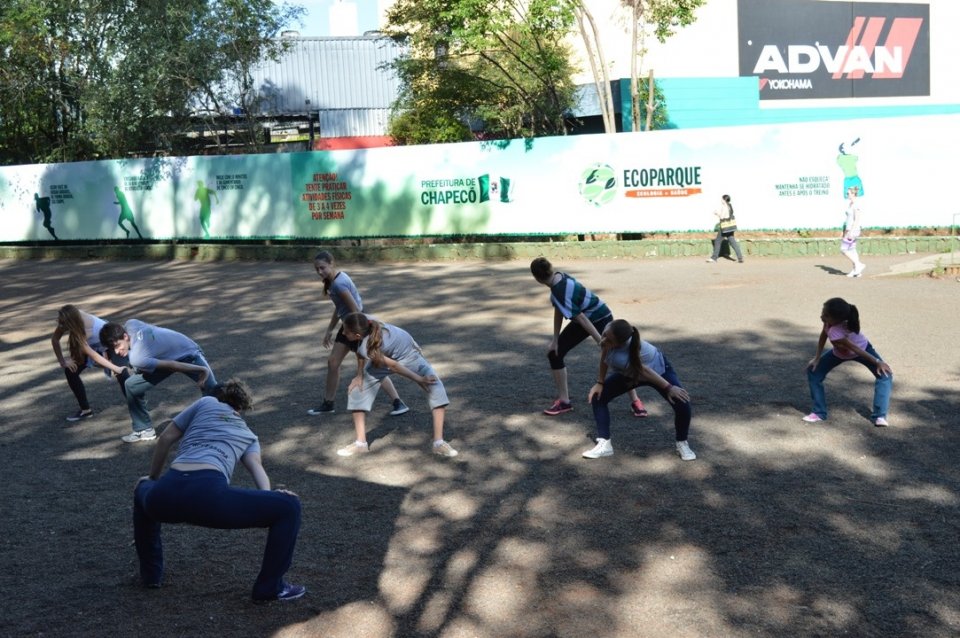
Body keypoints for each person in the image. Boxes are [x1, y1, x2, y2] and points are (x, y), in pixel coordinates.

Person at [133, 379, 305, 602]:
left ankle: (151, 575)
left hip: (165, 495)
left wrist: (153, 478)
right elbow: (257, 469)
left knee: (141, 489)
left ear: (216, 397)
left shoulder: (205, 403)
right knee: (289, 507)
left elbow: (165, 438)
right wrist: (269, 497)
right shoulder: (249, 435)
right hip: (208, 498)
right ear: (241, 408)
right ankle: (270, 587)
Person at [530, 257, 648, 418]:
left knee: (615, 356)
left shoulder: (558, 290)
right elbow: (560, 308)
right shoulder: (559, 277)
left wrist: (601, 340)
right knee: (555, 353)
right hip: (587, 318)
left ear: (536, 278)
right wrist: (555, 340)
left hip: (600, 318)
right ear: (550, 269)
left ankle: (636, 401)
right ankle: (564, 401)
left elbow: (582, 319)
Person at [335, 312, 458, 458]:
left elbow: (395, 366)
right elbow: (361, 354)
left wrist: (419, 379)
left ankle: (439, 444)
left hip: (410, 356)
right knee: (357, 391)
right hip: (383, 360)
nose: (342, 333)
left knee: (436, 388)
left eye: (345, 331)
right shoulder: (365, 336)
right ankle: (360, 444)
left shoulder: (368, 329)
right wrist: (359, 376)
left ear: (356, 335)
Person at [306, 250, 408, 418]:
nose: (319, 272)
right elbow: (340, 308)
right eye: (317, 269)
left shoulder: (339, 284)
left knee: (373, 367)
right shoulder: (333, 281)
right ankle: (328, 403)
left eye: (322, 268)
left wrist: (354, 333)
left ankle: (398, 402)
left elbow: (356, 310)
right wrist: (330, 329)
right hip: (348, 326)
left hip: (356, 327)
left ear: (332, 263)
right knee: (333, 363)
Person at [584, 319, 697, 461]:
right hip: (631, 374)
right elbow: (604, 354)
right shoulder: (610, 337)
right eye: (605, 334)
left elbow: (645, 371)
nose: (603, 338)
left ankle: (682, 443)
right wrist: (600, 382)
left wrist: (669, 388)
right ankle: (605, 444)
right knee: (598, 397)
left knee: (682, 403)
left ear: (619, 343)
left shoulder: (630, 353)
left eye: (608, 338)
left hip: (658, 372)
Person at [100, 319, 218, 442]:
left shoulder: (137, 358)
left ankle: (223, 424)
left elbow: (173, 365)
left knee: (213, 390)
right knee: (132, 385)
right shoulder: (131, 324)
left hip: (189, 353)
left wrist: (203, 370)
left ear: (125, 336)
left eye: (117, 346)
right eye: (112, 349)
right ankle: (143, 429)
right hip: (162, 359)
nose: (116, 352)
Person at [803, 297, 892, 426]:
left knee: (885, 375)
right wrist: (817, 358)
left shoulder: (836, 331)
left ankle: (880, 416)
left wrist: (878, 361)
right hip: (840, 353)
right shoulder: (829, 323)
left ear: (838, 320)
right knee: (813, 371)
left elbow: (856, 349)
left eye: (826, 316)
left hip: (863, 350)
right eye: (823, 312)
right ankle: (819, 413)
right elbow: (823, 335)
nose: (822, 316)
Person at [50, 304, 130, 422]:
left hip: (108, 341)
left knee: (121, 372)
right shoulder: (68, 319)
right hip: (91, 343)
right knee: (71, 370)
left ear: (71, 323)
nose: (61, 327)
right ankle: (86, 411)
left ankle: (136, 404)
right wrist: (62, 362)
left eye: (64, 324)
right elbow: (55, 339)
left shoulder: (84, 327)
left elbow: (94, 355)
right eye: (60, 323)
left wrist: (113, 367)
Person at [706, 194, 744, 263]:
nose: (721, 200)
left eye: (722, 199)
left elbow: (722, 217)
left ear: (724, 200)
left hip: (724, 227)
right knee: (733, 242)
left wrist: (716, 213)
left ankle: (714, 258)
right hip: (730, 227)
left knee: (717, 241)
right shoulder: (730, 206)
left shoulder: (724, 207)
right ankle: (740, 257)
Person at [841, 186, 866, 277]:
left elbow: (856, 219)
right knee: (852, 249)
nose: (847, 195)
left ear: (853, 194)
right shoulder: (850, 204)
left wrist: (851, 231)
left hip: (853, 230)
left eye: (848, 193)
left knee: (843, 249)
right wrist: (844, 230)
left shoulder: (856, 204)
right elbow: (847, 219)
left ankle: (858, 264)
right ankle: (856, 271)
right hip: (848, 230)